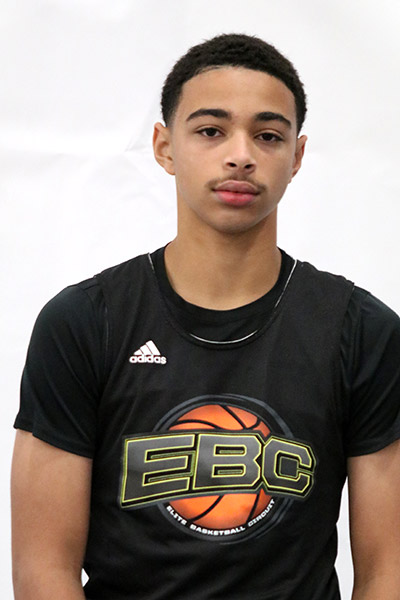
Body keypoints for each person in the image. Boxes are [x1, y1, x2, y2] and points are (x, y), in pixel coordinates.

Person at [11, 33, 400, 600]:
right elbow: (43, 570)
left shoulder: (362, 332)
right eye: (211, 130)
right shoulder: (83, 322)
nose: (241, 154)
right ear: (165, 147)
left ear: (296, 157)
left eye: (268, 135)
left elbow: (388, 572)